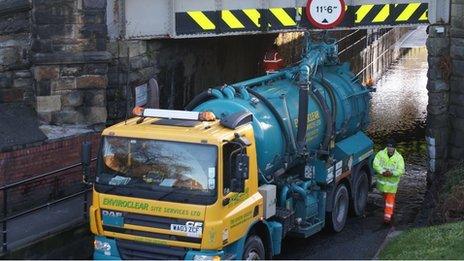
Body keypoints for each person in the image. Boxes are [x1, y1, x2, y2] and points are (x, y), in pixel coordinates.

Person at [373, 139, 405, 224]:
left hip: (391, 186)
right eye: (388, 146)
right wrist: (382, 172)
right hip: (382, 185)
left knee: (389, 200)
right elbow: (375, 164)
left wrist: (392, 173)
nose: (390, 148)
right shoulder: (380, 154)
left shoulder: (399, 158)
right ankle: (390, 211)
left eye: (391, 147)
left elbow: (401, 170)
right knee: (387, 199)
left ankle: (387, 217)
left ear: (394, 148)